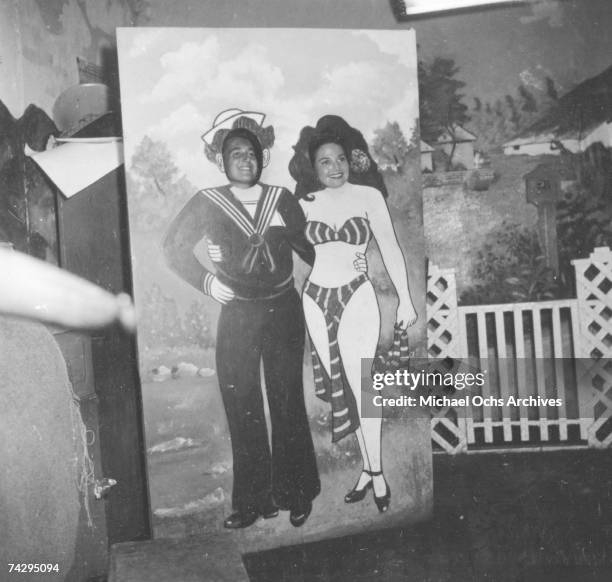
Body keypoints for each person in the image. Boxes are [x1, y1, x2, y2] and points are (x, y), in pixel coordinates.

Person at [163, 109, 366, 529]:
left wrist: (346, 258)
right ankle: (252, 502)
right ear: (221, 160)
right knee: (242, 403)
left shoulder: (282, 199)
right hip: (237, 314)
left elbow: (308, 248)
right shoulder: (208, 202)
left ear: (262, 158)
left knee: (287, 400)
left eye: (252, 153)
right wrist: (206, 282)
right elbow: (174, 247)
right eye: (235, 153)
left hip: (282, 310)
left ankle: (296, 494)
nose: (245, 160)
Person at [288, 115, 418, 513]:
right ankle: (368, 470)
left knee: (364, 386)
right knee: (344, 385)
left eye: (340, 158)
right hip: (315, 299)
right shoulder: (303, 203)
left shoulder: (368, 197)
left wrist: (405, 300)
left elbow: (391, 248)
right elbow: (288, 246)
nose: (335, 167)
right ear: (313, 166)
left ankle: (377, 475)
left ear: (351, 159)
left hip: (357, 299)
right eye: (325, 161)